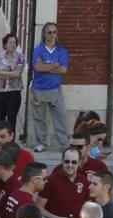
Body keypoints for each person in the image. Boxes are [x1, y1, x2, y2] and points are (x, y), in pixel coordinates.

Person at [29, 23, 69, 152]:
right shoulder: (38, 49)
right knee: (39, 117)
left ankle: (63, 143)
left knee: (60, 117)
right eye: (49, 32)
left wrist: (46, 66)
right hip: (39, 89)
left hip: (55, 89)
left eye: (54, 32)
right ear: (44, 34)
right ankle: (42, 143)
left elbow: (63, 69)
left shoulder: (62, 50)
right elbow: (37, 67)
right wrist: (54, 65)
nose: (52, 35)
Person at [0, 33, 26, 134]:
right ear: (5, 44)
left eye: (14, 43)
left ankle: (11, 143)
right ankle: (0, 142)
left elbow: (17, 74)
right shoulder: (0, 56)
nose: (12, 45)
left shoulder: (20, 57)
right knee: (1, 118)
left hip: (14, 92)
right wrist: (10, 73)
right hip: (1, 91)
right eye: (10, 42)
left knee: (12, 118)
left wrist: (3, 73)